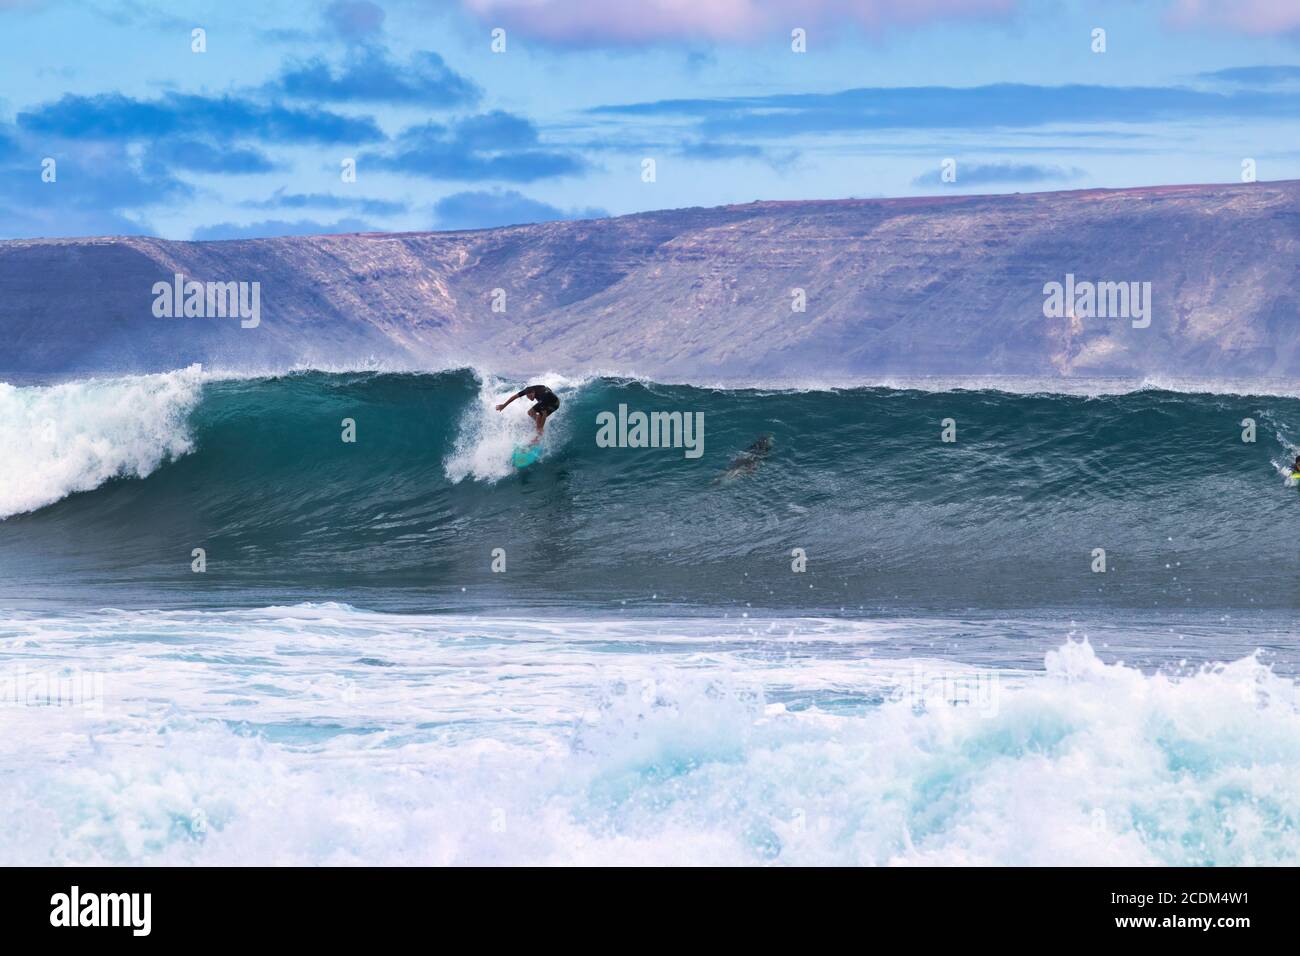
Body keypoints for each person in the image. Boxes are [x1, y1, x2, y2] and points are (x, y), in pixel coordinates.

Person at [496, 384, 560, 441]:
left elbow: (544, 414)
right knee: (530, 412)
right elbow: (514, 397)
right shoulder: (527, 390)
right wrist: (503, 405)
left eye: (530, 396)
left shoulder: (543, 396)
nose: (529, 398)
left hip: (554, 403)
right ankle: (539, 425)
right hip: (545, 397)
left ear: (533, 392)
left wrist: (541, 427)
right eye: (528, 396)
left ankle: (539, 435)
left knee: (539, 416)